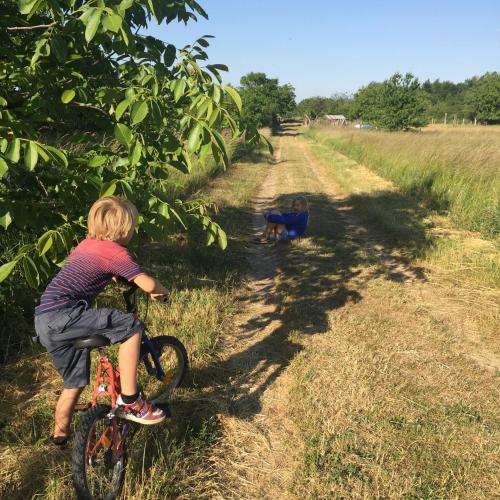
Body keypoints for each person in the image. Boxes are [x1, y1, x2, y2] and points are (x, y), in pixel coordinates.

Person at [34, 196, 170, 446]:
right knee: (131, 327)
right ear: (125, 229)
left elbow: (96, 269)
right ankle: (131, 400)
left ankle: (60, 434)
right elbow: (148, 283)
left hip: (44, 319)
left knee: (73, 382)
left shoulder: (85, 245)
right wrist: (158, 290)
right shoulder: (116, 252)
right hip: (67, 315)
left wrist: (117, 277)